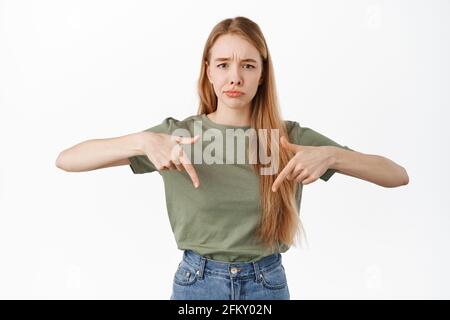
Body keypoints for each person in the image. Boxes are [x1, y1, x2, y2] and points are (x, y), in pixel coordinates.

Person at [55, 16, 409, 300]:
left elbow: (396, 175)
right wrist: (142, 142)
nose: (235, 77)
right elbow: (67, 159)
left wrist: (332, 156)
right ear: (208, 71)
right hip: (197, 284)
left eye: (248, 66)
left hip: (266, 283)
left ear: (262, 75)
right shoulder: (177, 136)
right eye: (223, 65)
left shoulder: (288, 138)